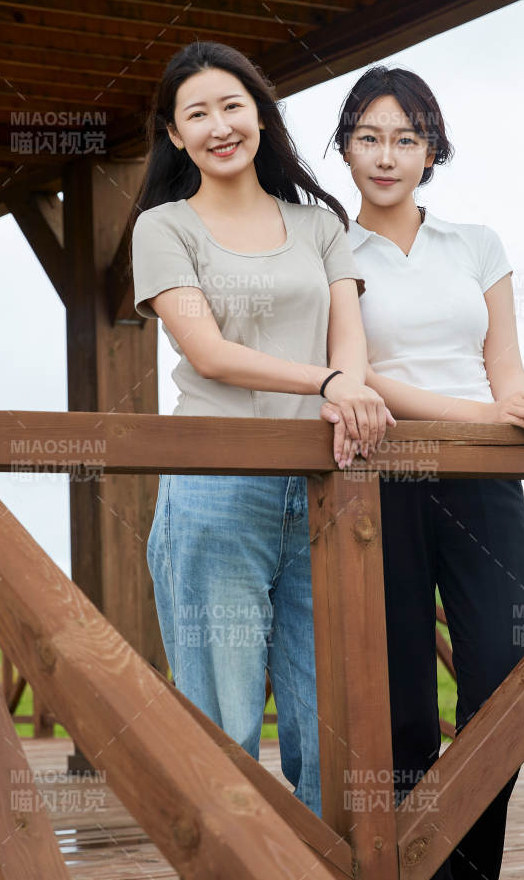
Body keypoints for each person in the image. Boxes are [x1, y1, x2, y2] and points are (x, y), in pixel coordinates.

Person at [321, 65, 524, 880]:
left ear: (432, 150)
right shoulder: (331, 248)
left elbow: (504, 367)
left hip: (486, 483)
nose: (386, 155)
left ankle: (465, 877)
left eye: (406, 138)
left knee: (504, 688)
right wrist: (483, 417)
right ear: (345, 148)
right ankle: (408, 876)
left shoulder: (477, 244)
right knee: (399, 711)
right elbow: (364, 377)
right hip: (380, 484)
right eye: (369, 137)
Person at [132, 41, 394, 815]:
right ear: (176, 136)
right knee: (225, 723)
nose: (219, 125)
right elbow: (208, 353)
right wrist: (328, 381)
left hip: (324, 483)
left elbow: (349, 334)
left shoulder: (319, 226)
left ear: (259, 114)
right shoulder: (164, 227)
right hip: (216, 491)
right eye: (198, 114)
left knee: (332, 730)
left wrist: (345, 377)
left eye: (232, 105)